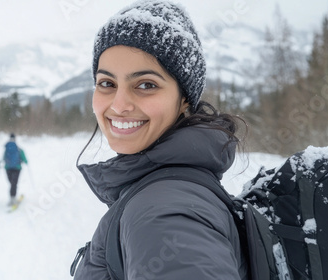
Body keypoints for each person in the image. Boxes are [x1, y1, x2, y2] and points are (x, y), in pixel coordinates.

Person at [72, 1, 248, 279]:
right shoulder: (172, 187)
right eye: (107, 83)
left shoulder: (163, 211)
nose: (119, 105)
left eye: (146, 85)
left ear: (184, 100)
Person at [2, 133, 27, 207]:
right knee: (14, 183)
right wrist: (25, 161)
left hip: (8, 168)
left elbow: (4, 157)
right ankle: (13, 198)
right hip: (17, 168)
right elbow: (24, 158)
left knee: (12, 183)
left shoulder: (7, 148)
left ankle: (12, 198)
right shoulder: (18, 148)